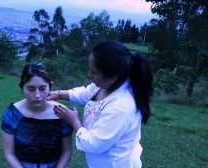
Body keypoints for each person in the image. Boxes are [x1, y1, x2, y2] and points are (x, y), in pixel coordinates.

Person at [50, 40, 153, 168]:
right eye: (90, 69)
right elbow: (85, 93)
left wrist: (74, 121)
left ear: (112, 77)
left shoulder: (120, 108)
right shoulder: (106, 85)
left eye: (94, 72)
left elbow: (93, 143)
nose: (89, 74)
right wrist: (59, 94)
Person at [1, 62, 73, 168]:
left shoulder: (61, 112)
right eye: (31, 89)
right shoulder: (12, 114)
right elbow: (9, 153)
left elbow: (66, 151)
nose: (37, 95)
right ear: (22, 87)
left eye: (42, 88)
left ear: (50, 86)